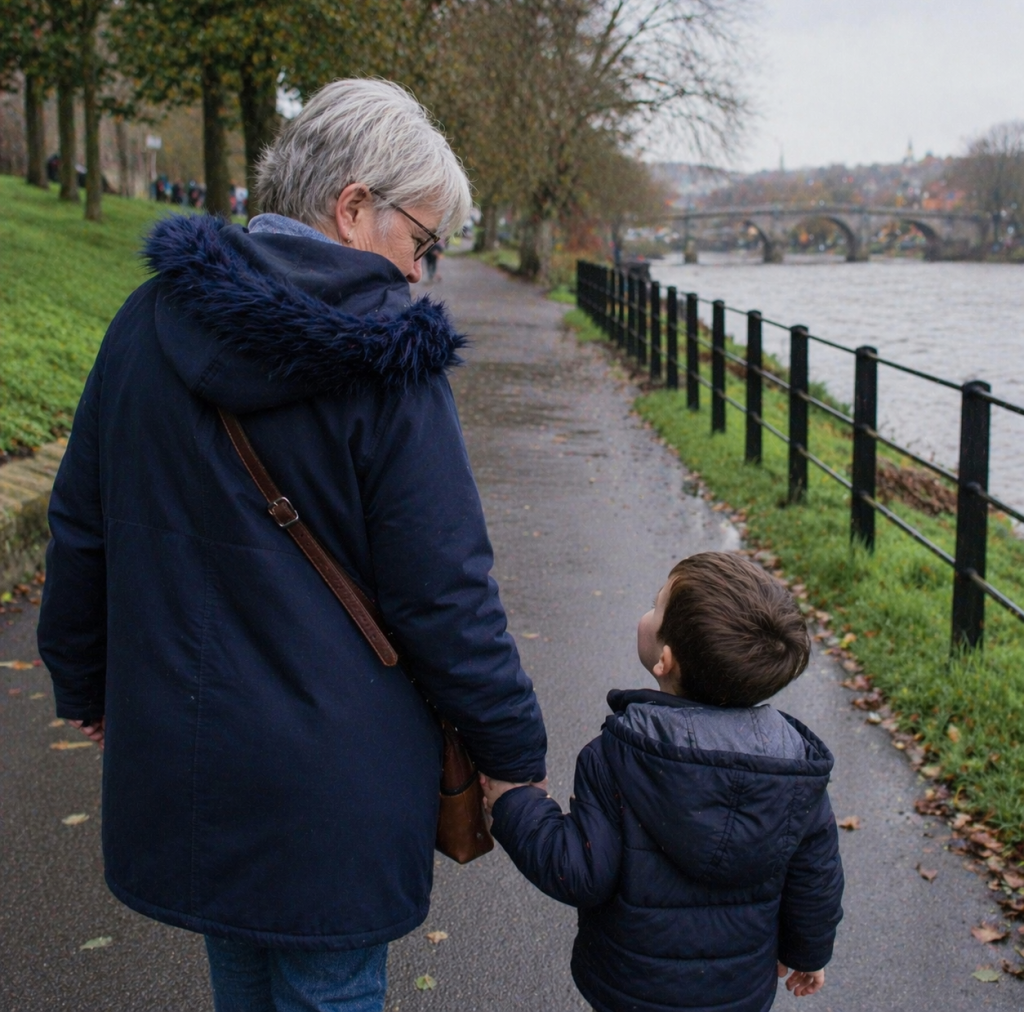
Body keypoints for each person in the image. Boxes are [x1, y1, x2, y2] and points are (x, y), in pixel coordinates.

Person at [38, 78, 547, 1012]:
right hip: (331, 786)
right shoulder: (390, 356)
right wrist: (514, 744)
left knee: (244, 978)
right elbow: (446, 593)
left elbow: (80, 528)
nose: (420, 275)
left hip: (189, 753)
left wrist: (86, 680)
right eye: (423, 242)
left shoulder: (146, 320)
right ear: (356, 207)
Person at [482, 551, 844, 1012]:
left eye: (656, 607)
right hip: (741, 989)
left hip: (632, 988)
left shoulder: (617, 756)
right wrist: (808, 952)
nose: (648, 612)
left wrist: (515, 805)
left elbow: (581, 873)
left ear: (664, 661)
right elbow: (816, 874)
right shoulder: (793, 766)